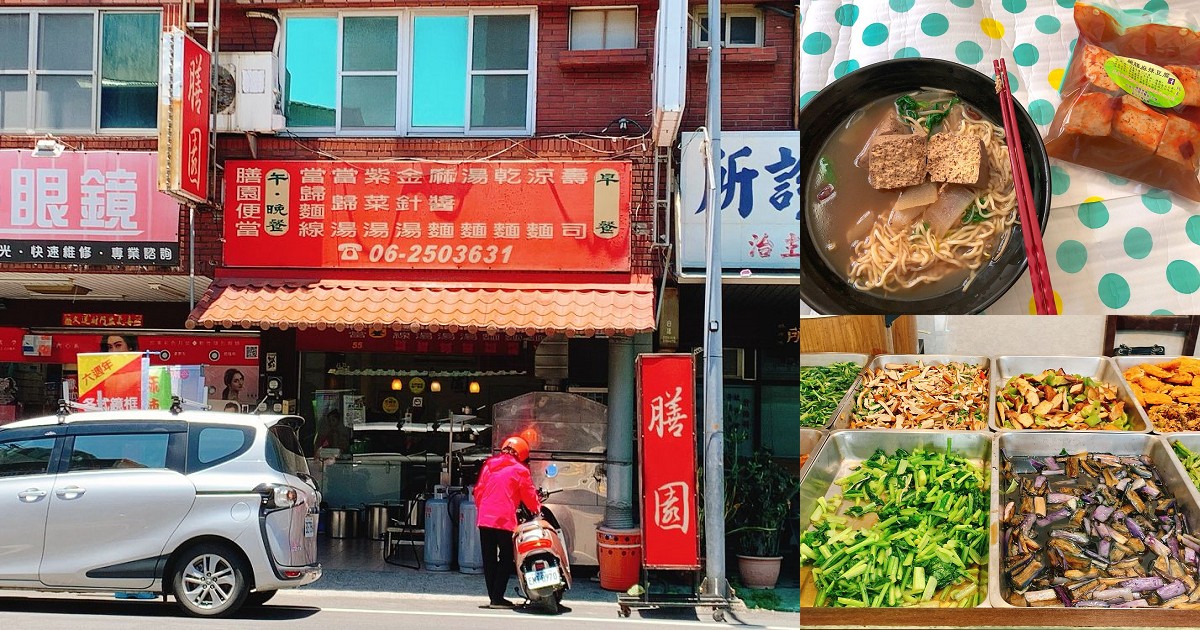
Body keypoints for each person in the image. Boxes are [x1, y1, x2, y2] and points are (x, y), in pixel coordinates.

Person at [473, 435, 541, 610]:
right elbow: (529, 496)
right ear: (522, 454)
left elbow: (478, 491)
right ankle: (498, 597)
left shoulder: (489, 465)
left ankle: (493, 598)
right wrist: (536, 509)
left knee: (488, 558)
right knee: (506, 557)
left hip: (485, 518)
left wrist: (484, 510)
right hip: (504, 519)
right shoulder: (520, 470)